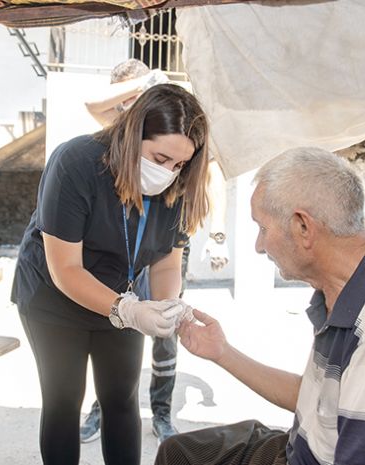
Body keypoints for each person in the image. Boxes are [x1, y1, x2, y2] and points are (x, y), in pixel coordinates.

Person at [156, 147, 365, 465]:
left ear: (304, 228)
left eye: (263, 228)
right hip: (303, 446)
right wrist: (222, 352)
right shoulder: (350, 288)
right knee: (179, 452)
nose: (258, 245)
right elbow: (318, 400)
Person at [11, 83, 211, 465]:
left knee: (121, 398)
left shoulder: (177, 185)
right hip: (54, 296)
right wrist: (129, 311)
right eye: (160, 157)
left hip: (123, 293)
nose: (168, 171)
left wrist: (166, 305)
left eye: (179, 164)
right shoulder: (76, 162)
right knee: (63, 400)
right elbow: (65, 268)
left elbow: (167, 261)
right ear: (133, 132)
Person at [80, 59, 230, 444]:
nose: (167, 168)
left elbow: (212, 176)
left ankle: (162, 412)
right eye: (132, 98)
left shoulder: (178, 132)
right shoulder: (124, 132)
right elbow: (93, 103)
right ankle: (101, 408)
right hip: (122, 248)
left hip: (164, 245)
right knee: (113, 321)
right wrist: (143, 85)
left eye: (174, 164)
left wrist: (217, 232)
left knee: (167, 324)